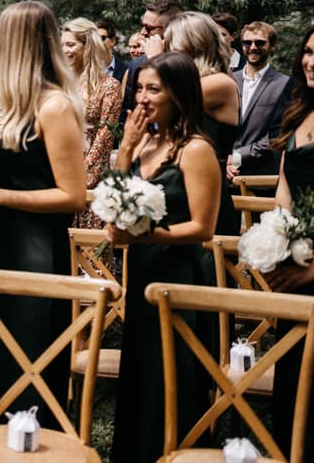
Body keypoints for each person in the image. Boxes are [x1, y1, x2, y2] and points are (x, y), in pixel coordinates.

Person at [0, 1, 86, 431]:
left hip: (36, 249)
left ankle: (29, 442)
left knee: (29, 348)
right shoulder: (6, 102)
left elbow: (73, 196)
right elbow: (17, 173)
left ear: (17, 44)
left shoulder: (54, 107)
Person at [107, 52, 221, 463]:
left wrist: (146, 235)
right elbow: (116, 200)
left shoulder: (196, 150)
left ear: (179, 92)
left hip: (180, 278)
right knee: (140, 372)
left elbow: (203, 228)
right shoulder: (145, 144)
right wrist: (125, 151)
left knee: (174, 376)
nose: (142, 97)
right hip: (141, 275)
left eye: (153, 89)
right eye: (139, 88)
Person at [265, 23, 314, 459]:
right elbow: (284, 188)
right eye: (310, 52)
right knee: (295, 366)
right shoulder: (298, 112)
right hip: (298, 260)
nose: (312, 62)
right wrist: (277, 242)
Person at [161, 11, 239, 234]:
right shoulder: (191, 83)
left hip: (206, 202)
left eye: (171, 48)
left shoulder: (220, 84)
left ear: (193, 46)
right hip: (177, 196)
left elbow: (164, 104)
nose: (166, 55)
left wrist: (155, 62)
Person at [62, 18, 122, 228]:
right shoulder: (57, 85)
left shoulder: (110, 87)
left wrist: (78, 182)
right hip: (57, 180)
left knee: (89, 256)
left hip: (91, 187)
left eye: (70, 45)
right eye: (62, 44)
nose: (64, 50)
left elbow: (104, 140)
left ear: (87, 46)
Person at [227, 21, 295, 180]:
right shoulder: (227, 80)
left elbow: (279, 135)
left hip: (262, 176)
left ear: (272, 45)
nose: (252, 47)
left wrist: (236, 158)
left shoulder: (285, 84)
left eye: (259, 43)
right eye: (247, 42)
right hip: (223, 175)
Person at [96, 19, 128, 83]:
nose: (98, 42)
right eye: (94, 38)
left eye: (102, 38)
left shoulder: (125, 70)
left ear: (112, 41)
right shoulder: (85, 68)